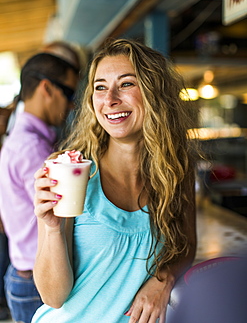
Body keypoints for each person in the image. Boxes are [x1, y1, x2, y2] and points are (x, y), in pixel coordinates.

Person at [32, 38, 197, 323]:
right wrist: (52, 229)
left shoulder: (175, 171)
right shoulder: (68, 169)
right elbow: (53, 297)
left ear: (153, 93)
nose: (109, 99)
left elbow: (187, 245)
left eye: (126, 84)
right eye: (100, 87)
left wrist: (163, 278)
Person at [0, 52, 80, 323]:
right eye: (69, 93)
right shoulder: (33, 148)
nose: (71, 106)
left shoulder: (21, 137)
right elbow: (61, 211)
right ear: (46, 88)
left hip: (23, 271)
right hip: (37, 280)